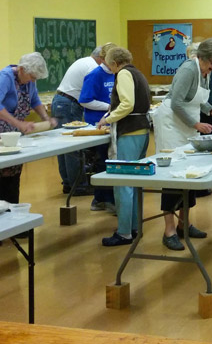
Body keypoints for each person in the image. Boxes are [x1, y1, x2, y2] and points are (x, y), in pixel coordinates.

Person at [151, 37, 212, 251]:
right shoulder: (188, 69)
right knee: (173, 175)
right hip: (171, 124)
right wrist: (197, 124)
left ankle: (185, 224)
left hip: (187, 124)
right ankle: (169, 231)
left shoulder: (205, 71)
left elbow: (197, 99)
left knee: (191, 172)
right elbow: (176, 102)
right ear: (202, 57)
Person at [98, 47, 151, 246]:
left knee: (123, 183)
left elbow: (127, 104)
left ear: (113, 63)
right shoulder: (138, 73)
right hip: (142, 132)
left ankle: (124, 232)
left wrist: (108, 119)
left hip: (129, 133)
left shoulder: (124, 74)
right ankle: (135, 226)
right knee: (135, 182)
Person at [0, 52, 57, 205]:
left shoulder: (29, 81)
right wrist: (18, 124)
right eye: (32, 77)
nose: (33, 80)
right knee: (2, 173)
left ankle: (12, 211)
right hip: (2, 133)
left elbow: (35, 100)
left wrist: (46, 119)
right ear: (22, 70)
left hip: (14, 134)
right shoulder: (5, 78)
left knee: (13, 174)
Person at [51, 46, 103, 195]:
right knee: (73, 146)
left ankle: (69, 183)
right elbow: (90, 96)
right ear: (101, 58)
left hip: (61, 101)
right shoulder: (93, 67)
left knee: (63, 147)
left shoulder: (84, 61)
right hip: (69, 104)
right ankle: (79, 186)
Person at [79, 45, 117, 213]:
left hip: (112, 123)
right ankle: (104, 199)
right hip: (98, 124)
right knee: (103, 161)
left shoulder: (116, 74)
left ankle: (103, 198)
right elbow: (85, 100)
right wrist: (110, 106)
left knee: (109, 160)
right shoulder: (94, 75)